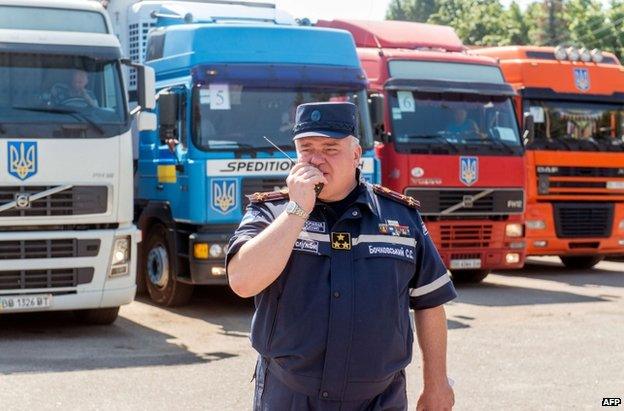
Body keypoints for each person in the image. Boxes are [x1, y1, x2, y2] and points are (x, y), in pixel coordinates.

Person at [226, 101, 457, 410]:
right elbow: (242, 282)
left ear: (356, 155)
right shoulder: (271, 212)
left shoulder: (400, 217)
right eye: (307, 148)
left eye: (330, 148)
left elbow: (429, 302)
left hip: (379, 399)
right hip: (291, 397)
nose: (317, 160)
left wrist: (437, 384)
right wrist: (297, 210)